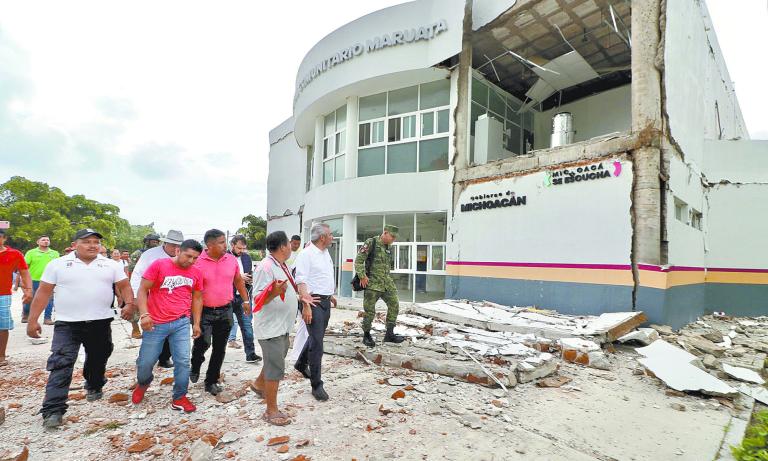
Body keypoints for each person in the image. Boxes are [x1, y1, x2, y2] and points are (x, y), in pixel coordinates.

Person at [27, 229, 134, 428]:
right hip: (67, 323)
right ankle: (53, 410)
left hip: (100, 322)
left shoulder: (110, 265)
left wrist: (129, 303)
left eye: (96, 242)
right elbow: (43, 292)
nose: (92, 245)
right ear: (75, 244)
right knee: (61, 362)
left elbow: (125, 286)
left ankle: (94, 384)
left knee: (99, 355)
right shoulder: (57, 264)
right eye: (87, 241)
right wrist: (33, 320)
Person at [131, 239, 204, 413]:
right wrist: (144, 314)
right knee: (146, 362)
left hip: (181, 322)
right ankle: (143, 383)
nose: (191, 261)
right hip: (155, 323)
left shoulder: (196, 272)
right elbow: (142, 290)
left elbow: (198, 297)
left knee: (183, 361)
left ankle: (179, 396)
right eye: (188, 256)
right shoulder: (159, 265)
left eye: (195, 258)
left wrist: (197, 323)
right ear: (178, 251)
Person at [190, 229, 251, 396]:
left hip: (225, 310)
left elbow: (238, 281)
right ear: (209, 245)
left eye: (225, 241)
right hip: (203, 312)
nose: (226, 245)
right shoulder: (197, 262)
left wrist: (246, 300)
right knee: (203, 343)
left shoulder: (231, 260)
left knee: (219, 348)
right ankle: (195, 363)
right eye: (222, 242)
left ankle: (211, 380)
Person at [250, 231, 297, 425]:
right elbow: (258, 299)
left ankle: (260, 384)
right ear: (283, 246)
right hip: (271, 327)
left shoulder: (282, 265)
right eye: (289, 243)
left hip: (282, 325)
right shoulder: (266, 267)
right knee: (276, 365)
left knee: (276, 358)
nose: (291, 247)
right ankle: (271, 410)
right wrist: (275, 293)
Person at [126, 230, 184, 364]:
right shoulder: (149, 255)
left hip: (174, 297)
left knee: (173, 328)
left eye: (179, 246)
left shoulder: (184, 255)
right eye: (173, 245)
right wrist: (135, 296)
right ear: (165, 243)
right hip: (151, 296)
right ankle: (145, 359)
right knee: (153, 329)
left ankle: (164, 357)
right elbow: (136, 275)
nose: (176, 249)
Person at [293, 223, 336, 401]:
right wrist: (306, 305)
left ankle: (301, 363)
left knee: (315, 337)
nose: (332, 237)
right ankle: (316, 385)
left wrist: (330, 295)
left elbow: (323, 276)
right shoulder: (306, 254)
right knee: (317, 343)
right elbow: (300, 280)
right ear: (322, 237)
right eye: (330, 234)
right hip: (313, 302)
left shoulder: (325, 253)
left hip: (324, 301)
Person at [355, 225, 405, 348]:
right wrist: (362, 276)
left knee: (394, 305)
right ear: (385, 233)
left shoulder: (388, 247)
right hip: (372, 284)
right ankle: (366, 335)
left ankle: (389, 334)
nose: (393, 239)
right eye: (392, 236)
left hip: (386, 283)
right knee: (370, 312)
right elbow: (359, 260)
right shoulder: (371, 242)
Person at [0, 229, 33, 366]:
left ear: (4, 238)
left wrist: (29, 290)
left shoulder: (14, 254)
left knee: (2, 325)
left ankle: (1, 356)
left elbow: (24, 272)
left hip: (3, 295)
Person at [226, 235, 260, 363]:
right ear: (232, 245)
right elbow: (222, 276)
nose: (241, 251)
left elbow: (248, 273)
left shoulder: (246, 258)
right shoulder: (224, 257)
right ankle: (219, 353)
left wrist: (250, 278)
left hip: (244, 296)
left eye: (244, 248)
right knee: (224, 327)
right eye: (239, 248)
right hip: (228, 297)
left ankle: (250, 354)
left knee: (247, 326)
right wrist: (239, 277)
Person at [23, 235, 59, 325]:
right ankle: (26, 314)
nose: (46, 241)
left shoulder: (55, 253)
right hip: (33, 280)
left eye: (48, 240)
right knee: (30, 298)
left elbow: (58, 267)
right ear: (38, 242)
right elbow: (24, 267)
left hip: (49, 280)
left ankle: (47, 318)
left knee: (49, 299)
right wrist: (23, 280)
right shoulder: (31, 253)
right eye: (43, 240)